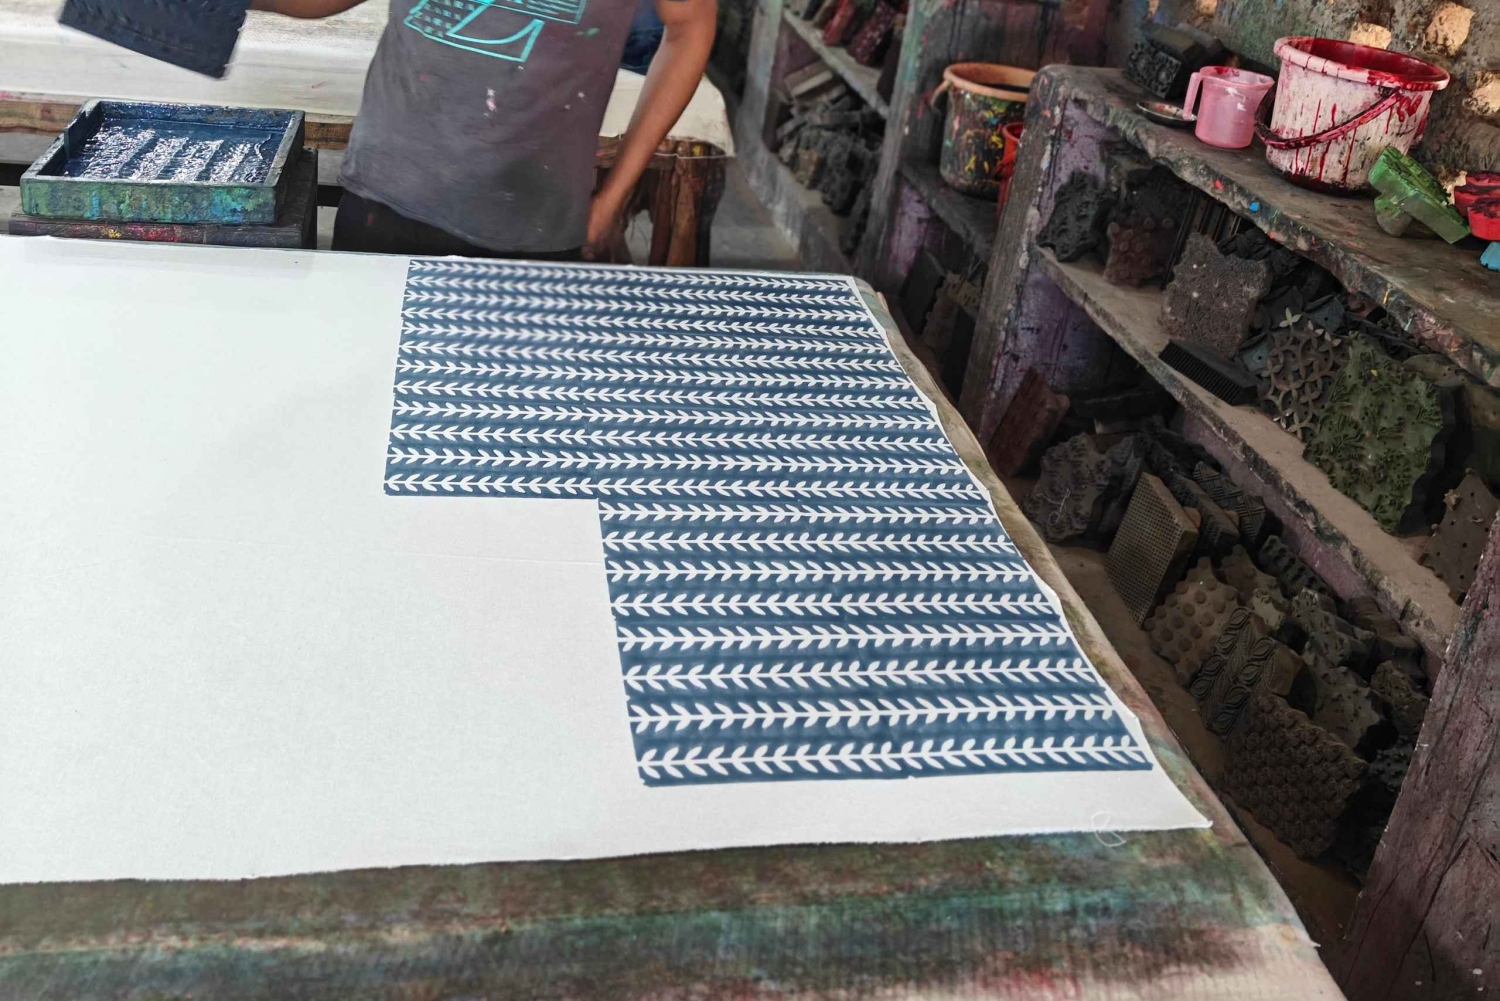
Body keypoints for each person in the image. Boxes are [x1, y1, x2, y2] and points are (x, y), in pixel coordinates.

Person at [252, 0, 717, 259]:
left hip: (538, 227)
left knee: (518, 399)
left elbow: (691, 26)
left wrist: (613, 198)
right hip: (386, 201)